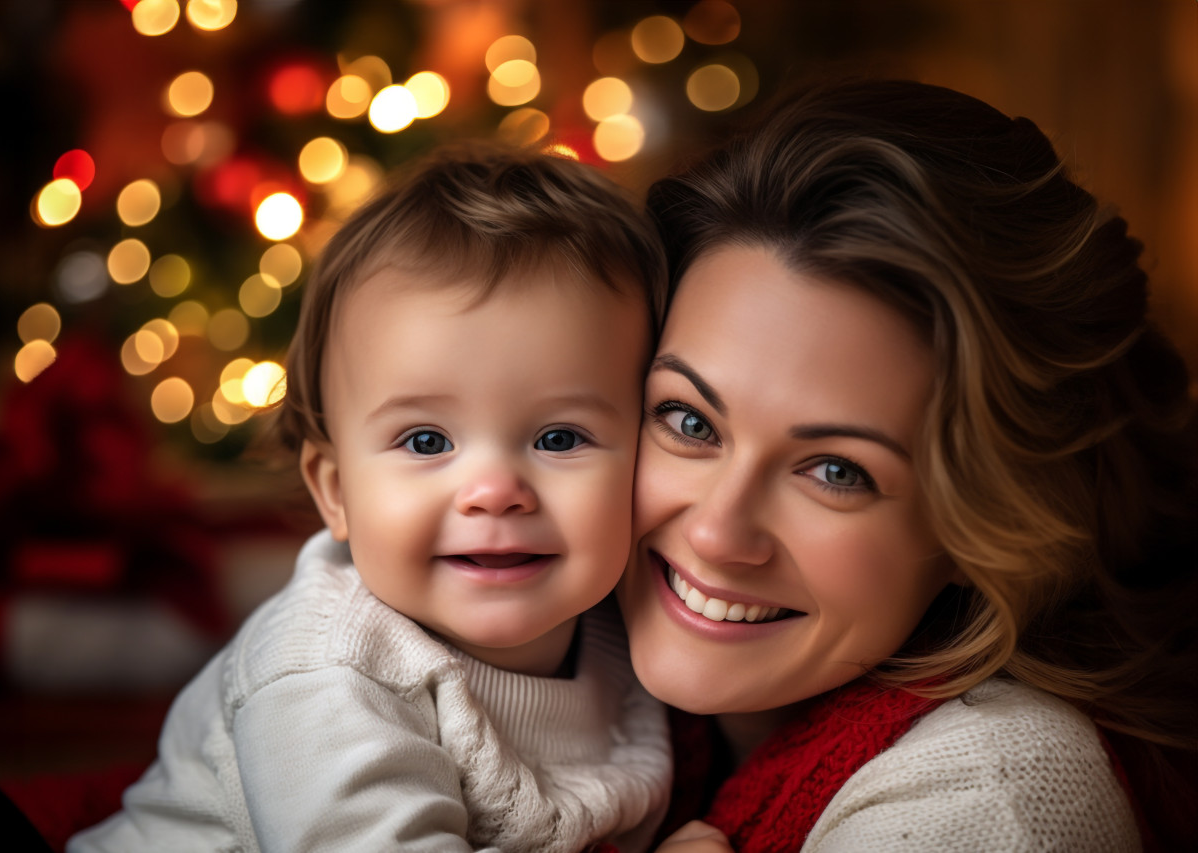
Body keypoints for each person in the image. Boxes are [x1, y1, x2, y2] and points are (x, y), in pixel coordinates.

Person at [615, 79, 1198, 851]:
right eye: (689, 421)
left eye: (837, 471)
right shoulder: (523, 642)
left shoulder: (993, 801)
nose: (720, 532)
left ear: (980, 524)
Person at [69, 144, 676, 852]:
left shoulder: (630, 639)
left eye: (561, 438)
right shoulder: (328, 674)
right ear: (336, 492)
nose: (493, 492)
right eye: (424, 441)